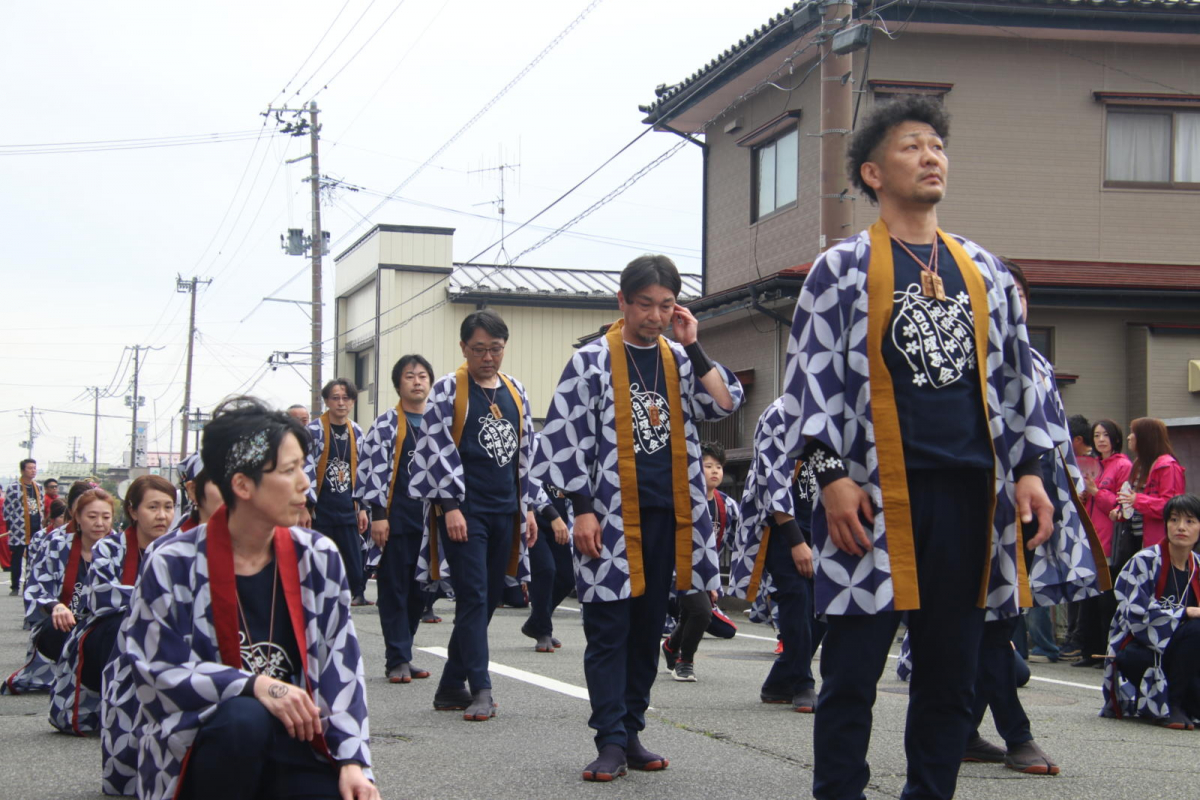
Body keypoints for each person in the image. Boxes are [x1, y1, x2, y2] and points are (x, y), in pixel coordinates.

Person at [782, 95, 1057, 800]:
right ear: (873, 172)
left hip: (970, 495)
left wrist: (1030, 470)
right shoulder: (840, 269)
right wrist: (829, 476)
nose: (930, 156)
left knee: (950, 677)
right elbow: (807, 383)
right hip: (871, 496)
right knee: (849, 674)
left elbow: (1019, 377)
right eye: (911, 147)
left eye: (937, 145)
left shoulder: (984, 270)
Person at [532, 254, 743, 781]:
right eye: (645, 304)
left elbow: (723, 403)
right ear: (622, 301)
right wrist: (580, 509)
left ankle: (631, 730)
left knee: (649, 627)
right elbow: (562, 439)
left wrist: (694, 343)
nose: (654, 315)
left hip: (670, 517)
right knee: (609, 626)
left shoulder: (677, 357)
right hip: (607, 516)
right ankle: (608, 739)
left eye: (666, 305)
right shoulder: (592, 360)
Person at [110, 397, 377, 800]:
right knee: (244, 718)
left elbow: (341, 666)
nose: (305, 482)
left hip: (296, 741)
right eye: (289, 471)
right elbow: (155, 672)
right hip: (204, 746)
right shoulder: (172, 562)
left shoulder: (318, 555)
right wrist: (255, 685)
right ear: (242, 485)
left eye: (303, 467)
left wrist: (353, 763)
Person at [953, 258, 1109, 774]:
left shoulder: (1036, 362)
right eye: (1004, 293)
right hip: (981, 503)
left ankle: (964, 731)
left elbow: (1055, 443)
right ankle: (1016, 734)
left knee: (1000, 624)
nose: (1013, 302)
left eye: (1020, 294)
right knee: (996, 627)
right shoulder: (972, 354)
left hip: (1033, 504)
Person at [409, 309, 537, 722]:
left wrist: (530, 507)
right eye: (479, 349)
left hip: (506, 510)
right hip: (465, 511)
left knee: (489, 599)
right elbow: (432, 450)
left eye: (495, 349)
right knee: (473, 596)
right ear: (463, 348)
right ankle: (481, 689)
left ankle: (450, 685)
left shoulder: (515, 390)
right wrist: (450, 506)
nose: (487, 357)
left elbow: (527, 452)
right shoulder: (447, 390)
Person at [50, 476, 176, 736]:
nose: (162, 515)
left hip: (164, 631)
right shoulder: (110, 546)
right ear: (132, 510)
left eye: (168, 506)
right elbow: (100, 594)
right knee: (125, 624)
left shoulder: (181, 549)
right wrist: (159, 600)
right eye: (152, 507)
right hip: (109, 632)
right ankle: (121, 710)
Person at [730, 398, 823, 712]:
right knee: (797, 596)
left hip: (823, 523)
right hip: (779, 526)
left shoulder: (840, 408)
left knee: (824, 608)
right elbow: (774, 481)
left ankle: (779, 683)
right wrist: (796, 540)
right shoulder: (780, 414)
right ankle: (802, 683)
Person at [359, 354, 435, 684]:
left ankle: (404, 651)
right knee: (394, 589)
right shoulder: (386, 423)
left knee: (422, 591)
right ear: (398, 384)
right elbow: (372, 469)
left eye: (422, 376)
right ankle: (397, 658)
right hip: (396, 518)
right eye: (409, 376)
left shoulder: (441, 422)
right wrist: (378, 515)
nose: (417, 382)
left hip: (429, 520)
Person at [4, 488, 115, 697]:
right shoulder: (57, 543)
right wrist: (55, 606)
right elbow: (37, 587)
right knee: (61, 628)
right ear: (77, 517)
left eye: (106, 517)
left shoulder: (121, 548)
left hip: (103, 626)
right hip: (64, 622)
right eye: (92, 516)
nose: (99, 523)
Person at [1103, 493, 1200, 729]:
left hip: (1187, 655)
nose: (1181, 527)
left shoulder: (1198, 565)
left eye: (1190, 521)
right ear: (1165, 524)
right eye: (1174, 520)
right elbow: (1134, 612)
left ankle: (1181, 703)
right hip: (1142, 648)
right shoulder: (1144, 561)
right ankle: (1172, 705)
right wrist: (1184, 613)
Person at [662, 441, 740, 682]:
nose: (715, 471)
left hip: (704, 569)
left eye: (718, 466)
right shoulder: (680, 500)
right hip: (677, 566)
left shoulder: (726, 505)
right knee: (702, 612)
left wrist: (715, 581)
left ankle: (671, 647)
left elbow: (729, 545)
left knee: (698, 616)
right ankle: (685, 660)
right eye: (708, 466)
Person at [305, 379, 371, 606]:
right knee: (319, 554)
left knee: (353, 553)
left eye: (346, 398)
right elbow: (305, 468)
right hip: (320, 507)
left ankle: (357, 592)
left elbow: (363, 470)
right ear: (326, 401)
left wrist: (363, 507)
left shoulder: (357, 431)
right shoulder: (313, 431)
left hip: (348, 506)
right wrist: (305, 506)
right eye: (335, 398)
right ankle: (318, 596)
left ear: (353, 402)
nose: (341, 403)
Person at [521, 477, 574, 653]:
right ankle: (543, 630)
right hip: (534, 518)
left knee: (568, 577)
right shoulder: (535, 449)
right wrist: (552, 515)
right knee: (545, 570)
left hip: (564, 519)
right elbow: (528, 480)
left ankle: (536, 622)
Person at [1117, 417, 1186, 550]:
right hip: (1134, 536)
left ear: (1146, 438)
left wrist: (1137, 500)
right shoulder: (1139, 464)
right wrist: (1120, 510)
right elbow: (1133, 499)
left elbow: (1171, 506)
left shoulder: (1167, 466)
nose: (1129, 437)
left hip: (1156, 541)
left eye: (1133, 433)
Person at [4, 459, 44, 595]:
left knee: (33, 557)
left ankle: (29, 585)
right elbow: (7, 509)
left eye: (34, 468)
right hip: (19, 528)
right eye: (30, 468)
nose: (33, 470)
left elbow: (41, 507)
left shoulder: (38, 487)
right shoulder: (14, 487)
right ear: (22, 471)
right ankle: (14, 585)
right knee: (17, 556)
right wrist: (10, 526)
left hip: (35, 526)